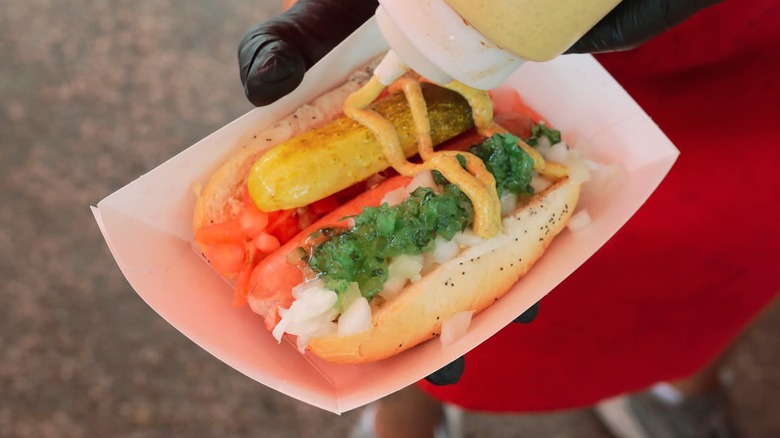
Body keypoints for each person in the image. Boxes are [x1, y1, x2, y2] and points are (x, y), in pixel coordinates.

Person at [238, 0, 780, 437]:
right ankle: (401, 422)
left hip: (747, 67)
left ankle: (682, 390)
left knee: (731, 259)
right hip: (434, 26)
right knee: (426, 357)